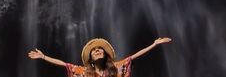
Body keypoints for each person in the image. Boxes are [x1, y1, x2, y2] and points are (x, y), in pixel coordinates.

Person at [28, 36, 172, 77]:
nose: (97, 50)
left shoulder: (117, 68)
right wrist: (44, 57)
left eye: (100, 49)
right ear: (90, 57)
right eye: (94, 50)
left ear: (105, 54)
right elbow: (64, 64)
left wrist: (154, 44)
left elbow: (134, 56)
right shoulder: (84, 73)